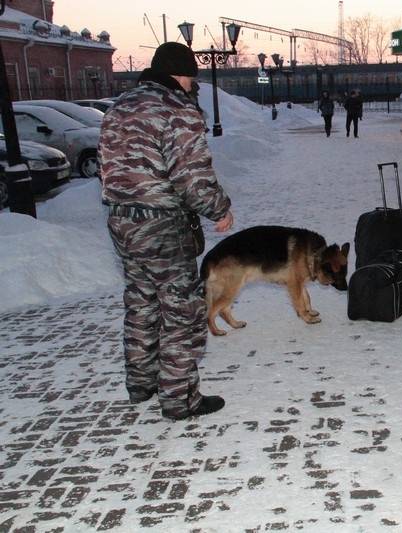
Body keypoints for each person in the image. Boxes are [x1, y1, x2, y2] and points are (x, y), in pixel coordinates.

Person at [99, 42, 234, 421]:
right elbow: (191, 173)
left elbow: (107, 167)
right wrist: (219, 209)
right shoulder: (177, 108)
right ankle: (179, 399)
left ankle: (141, 383)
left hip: (120, 219)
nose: (193, 85)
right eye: (192, 77)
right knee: (183, 311)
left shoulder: (119, 106)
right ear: (181, 74)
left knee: (141, 300)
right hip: (160, 223)